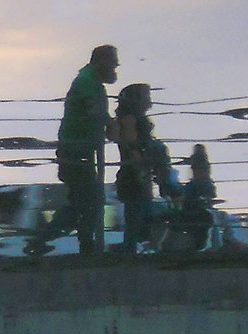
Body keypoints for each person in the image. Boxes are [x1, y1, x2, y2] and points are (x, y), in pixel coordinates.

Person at [25, 46, 119, 257]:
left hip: (79, 152)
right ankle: (54, 240)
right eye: (113, 63)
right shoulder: (86, 82)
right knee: (86, 203)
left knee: (85, 203)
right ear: (101, 61)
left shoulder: (92, 83)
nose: (115, 68)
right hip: (75, 153)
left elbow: (98, 115)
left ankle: (55, 240)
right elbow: (94, 111)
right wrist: (113, 126)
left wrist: (109, 126)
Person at [114, 83, 180, 254]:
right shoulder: (129, 120)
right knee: (136, 218)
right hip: (134, 178)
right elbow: (131, 147)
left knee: (139, 218)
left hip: (140, 176)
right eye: (146, 98)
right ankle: (132, 251)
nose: (149, 103)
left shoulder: (132, 119)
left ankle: (138, 247)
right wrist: (142, 167)